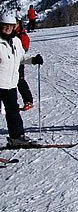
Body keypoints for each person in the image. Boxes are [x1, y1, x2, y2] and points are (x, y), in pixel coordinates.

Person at [0, 11, 43, 146]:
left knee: (13, 111)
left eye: (10, 25)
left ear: (15, 27)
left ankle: (17, 137)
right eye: (5, 25)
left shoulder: (16, 41)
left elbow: (21, 58)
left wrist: (32, 59)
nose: (8, 28)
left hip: (11, 84)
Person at [13, 17, 33, 111]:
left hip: (18, 61)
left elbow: (25, 48)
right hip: (6, 62)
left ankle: (28, 101)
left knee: (20, 81)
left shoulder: (21, 35)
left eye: (15, 24)